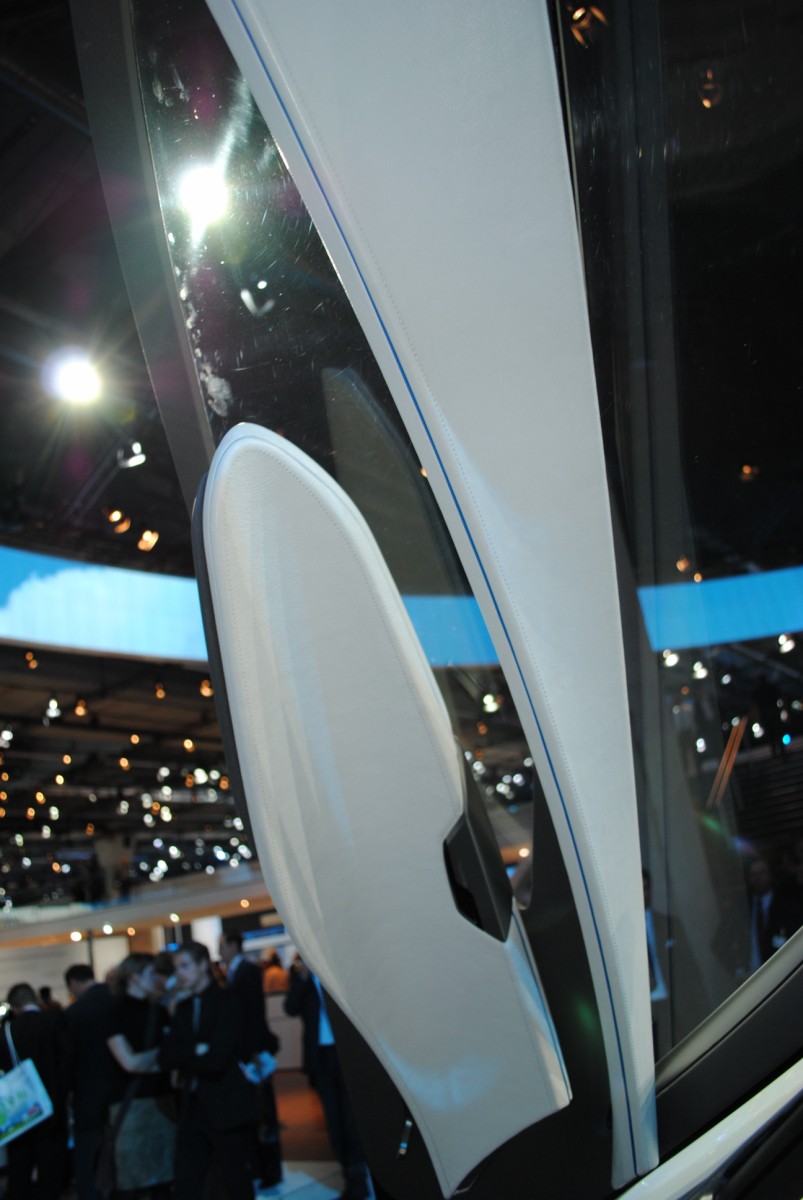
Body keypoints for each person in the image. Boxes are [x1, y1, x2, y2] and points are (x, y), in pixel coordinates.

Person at [158, 941, 260, 1200]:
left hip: (225, 1105)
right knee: (187, 1183)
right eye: (176, 968)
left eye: (185, 966)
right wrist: (197, 1049)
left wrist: (187, 1054)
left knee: (236, 1180)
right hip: (192, 1106)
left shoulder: (227, 1000)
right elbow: (166, 1057)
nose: (179, 973)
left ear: (203, 965)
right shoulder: (183, 1008)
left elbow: (217, 1060)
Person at [285, 958, 371, 1200]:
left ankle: (359, 1179)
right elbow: (290, 1008)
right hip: (320, 1057)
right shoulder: (300, 975)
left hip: (345, 1053)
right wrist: (303, 979)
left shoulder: (336, 968)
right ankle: (349, 1176)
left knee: (351, 1120)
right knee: (333, 1121)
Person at [104, 953, 176, 1199]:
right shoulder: (114, 1012)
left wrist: (156, 1059)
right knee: (134, 1182)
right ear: (134, 977)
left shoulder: (160, 1011)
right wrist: (162, 1055)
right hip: (131, 1105)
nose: (157, 978)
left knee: (164, 1181)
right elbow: (130, 1063)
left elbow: (167, 1059)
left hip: (164, 1103)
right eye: (151, 973)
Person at [218, 930, 283, 1188]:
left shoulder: (247, 971)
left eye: (222, 945)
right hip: (245, 1053)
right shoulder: (235, 972)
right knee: (256, 1110)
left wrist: (254, 1050)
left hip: (253, 1052)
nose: (220, 951)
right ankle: (259, 1167)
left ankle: (270, 1170)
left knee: (264, 1111)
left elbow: (254, 1013)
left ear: (234, 945)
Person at [0, 982, 68, 1200]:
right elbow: (66, 1061)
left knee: (19, 1170)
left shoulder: (7, 1031)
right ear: (35, 999)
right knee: (51, 1171)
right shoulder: (55, 1020)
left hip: (21, 1109)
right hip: (52, 1106)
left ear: (14, 1006)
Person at [63, 963, 117, 1200]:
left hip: (87, 1094)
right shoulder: (116, 999)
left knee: (86, 1157)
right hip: (119, 1089)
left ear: (73, 983)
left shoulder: (75, 1012)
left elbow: (69, 1059)